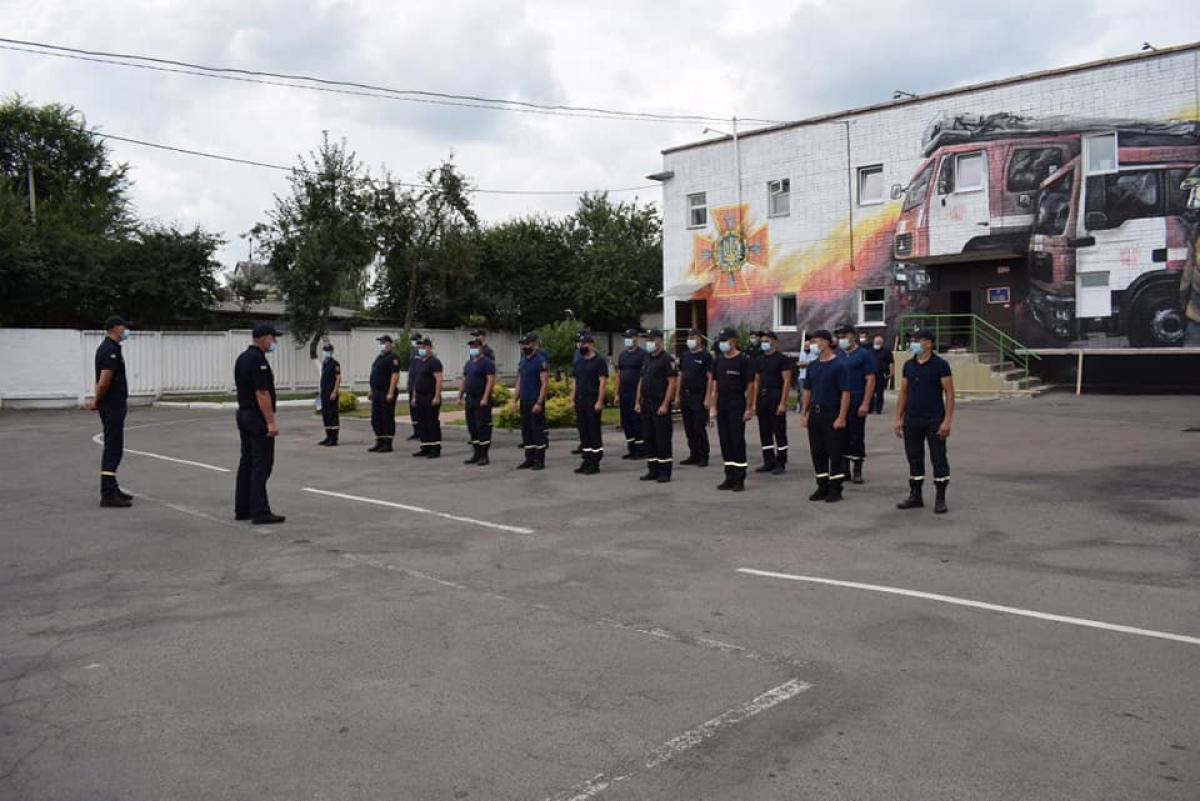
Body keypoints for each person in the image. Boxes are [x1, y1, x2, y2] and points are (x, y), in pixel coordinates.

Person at [894, 329, 955, 514]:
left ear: (928, 343)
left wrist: (947, 421)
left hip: (934, 420)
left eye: (917, 340)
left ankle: (940, 498)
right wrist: (898, 418)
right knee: (914, 457)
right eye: (912, 340)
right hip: (912, 420)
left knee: (938, 458)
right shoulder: (908, 365)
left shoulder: (940, 365)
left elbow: (950, 394)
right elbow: (903, 392)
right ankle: (915, 495)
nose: (913, 343)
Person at [233, 323, 284, 524]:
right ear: (264, 338)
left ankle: (242, 508)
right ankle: (259, 511)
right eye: (273, 338)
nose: (274, 342)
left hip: (243, 414)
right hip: (257, 417)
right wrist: (271, 422)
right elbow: (262, 393)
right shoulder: (258, 360)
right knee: (262, 464)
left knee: (247, 462)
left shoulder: (243, 358)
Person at [85, 315, 133, 507]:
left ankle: (112, 487)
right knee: (113, 448)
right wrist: (96, 400)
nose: (126, 331)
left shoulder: (111, 349)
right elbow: (104, 380)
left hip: (114, 404)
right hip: (112, 405)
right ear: (114, 328)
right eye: (124, 327)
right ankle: (108, 493)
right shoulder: (109, 350)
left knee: (114, 447)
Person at [801, 330, 850, 503]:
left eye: (819, 341)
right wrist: (804, 413)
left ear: (828, 342)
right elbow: (807, 391)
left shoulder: (839, 365)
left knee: (834, 452)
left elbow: (845, 393)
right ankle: (822, 486)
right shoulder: (813, 366)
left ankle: (836, 488)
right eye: (813, 341)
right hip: (815, 412)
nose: (815, 344)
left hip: (832, 412)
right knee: (817, 452)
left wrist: (842, 416)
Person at [708, 327, 755, 492]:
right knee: (725, 440)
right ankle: (729, 475)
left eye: (725, 340)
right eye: (720, 341)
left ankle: (739, 477)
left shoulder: (744, 360)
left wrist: (749, 408)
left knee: (737, 440)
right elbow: (715, 385)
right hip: (722, 403)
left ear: (733, 341)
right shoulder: (718, 361)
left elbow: (750, 385)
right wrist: (713, 406)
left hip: (737, 402)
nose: (722, 344)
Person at [834, 323, 876, 484]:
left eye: (844, 336)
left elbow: (870, 379)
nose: (841, 339)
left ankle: (857, 469)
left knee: (856, 435)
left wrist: (866, 403)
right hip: (838, 401)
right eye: (839, 336)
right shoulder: (837, 354)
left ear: (853, 336)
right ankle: (844, 470)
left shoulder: (864, 355)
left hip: (857, 399)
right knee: (840, 435)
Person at [635, 329, 678, 482]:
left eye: (652, 339)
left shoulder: (667, 359)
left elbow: (672, 383)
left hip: (660, 404)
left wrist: (666, 404)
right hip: (646, 404)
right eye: (647, 340)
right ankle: (652, 469)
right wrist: (637, 401)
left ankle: (664, 471)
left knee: (662, 438)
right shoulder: (647, 358)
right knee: (649, 438)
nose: (649, 342)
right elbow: (642, 380)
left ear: (659, 340)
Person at [752, 330, 793, 475]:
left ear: (774, 342)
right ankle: (768, 461)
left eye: (767, 341)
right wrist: (754, 403)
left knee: (779, 431)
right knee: (764, 431)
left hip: (775, 396)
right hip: (762, 397)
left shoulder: (782, 359)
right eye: (762, 341)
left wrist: (783, 403)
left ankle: (781, 462)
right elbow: (756, 381)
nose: (764, 343)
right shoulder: (759, 359)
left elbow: (787, 381)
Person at [571, 332, 609, 474]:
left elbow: (602, 383)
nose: (582, 346)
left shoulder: (599, 361)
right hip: (580, 399)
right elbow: (575, 382)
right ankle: (586, 459)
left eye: (585, 343)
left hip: (592, 399)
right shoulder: (579, 361)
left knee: (593, 431)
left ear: (591, 345)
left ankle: (595, 462)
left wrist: (600, 401)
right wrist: (572, 400)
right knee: (583, 431)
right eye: (581, 344)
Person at [678, 328, 713, 467]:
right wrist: (677, 395)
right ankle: (694, 453)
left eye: (693, 337)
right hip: (685, 395)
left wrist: (707, 398)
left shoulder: (706, 356)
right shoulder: (685, 355)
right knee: (689, 427)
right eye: (689, 337)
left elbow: (710, 378)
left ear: (699, 339)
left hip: (699, 395)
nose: (690, 340)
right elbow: (680, 375)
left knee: (699, 427)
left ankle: (703, 455)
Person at [459, 338, 497, 466]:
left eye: (475, 346)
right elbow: (464, 380)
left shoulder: (487, 363)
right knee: (472, 427)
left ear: (481, 348)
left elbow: (490, 380)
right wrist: (460, 395)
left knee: (483, 427)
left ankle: (484, 455)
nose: (472, 349)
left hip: (481, 399)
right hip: (470, 398)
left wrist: (485, 397)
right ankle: (476, 453)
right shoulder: (469, 363)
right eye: (471, 346)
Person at [516, 332, 549, 470]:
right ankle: (529, 458)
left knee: (537, 431)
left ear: (534, 344)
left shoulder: (540, 361)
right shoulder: (522, 361)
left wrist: (539, 402)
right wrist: (514, 399)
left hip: (535, 400)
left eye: (527, 344)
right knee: (526, 431)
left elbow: (544, 383)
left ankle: (539, 460)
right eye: (523, 344)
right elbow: (519, 381)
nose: (525, 346)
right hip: (524, 399)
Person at [614, 328, 647, 459]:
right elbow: (618, 375)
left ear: (636, 338)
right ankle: (631, 448)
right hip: (624, 393)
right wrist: (616, 394)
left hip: (636, 393)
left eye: (629, 337)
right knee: (626, 422)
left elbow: (643, 377)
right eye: (625, 337)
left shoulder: (642, 355)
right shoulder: (622, 355)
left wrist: (640, 398)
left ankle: (641, 449)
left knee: (637, 422)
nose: (627, 340)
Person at [410, 337, 444, 458]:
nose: (421, 349)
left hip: (430, 396)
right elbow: (416, 381)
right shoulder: (419, 362)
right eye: (420, 347)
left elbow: (439, 380)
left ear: (430, 348)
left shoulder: (434, 362)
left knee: (432, 423)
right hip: (420, 396)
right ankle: (425, 446)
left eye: (424, 347)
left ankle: (435, 448)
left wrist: (436, 396)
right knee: (422, 422)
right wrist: (414, 397)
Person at [367, 334, 401, 453]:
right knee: (376, 418)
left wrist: (391, 392)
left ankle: (388, 443)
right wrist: (371, 390)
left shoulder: (393, 357)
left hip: (386, 390)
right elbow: (374, 375)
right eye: (380, 343)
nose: (382, 345)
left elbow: (395, 375)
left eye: (384, 342)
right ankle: (379, 440)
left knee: (386, 417)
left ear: (390, 344)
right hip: (377, 391)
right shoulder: (379, 357)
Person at [1181, 166, 1200, 344]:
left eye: (1197, 192)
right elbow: (1189, 270)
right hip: (1195, 320)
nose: (1191, 201)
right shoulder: (1195, 232)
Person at [317, 342, 341, 446]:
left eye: (328, 351)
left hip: (331, 393)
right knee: (326, 415)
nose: (326, 352)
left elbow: (338, 378)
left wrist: (334, 391)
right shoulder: (324, 363)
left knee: (332, 415)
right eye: (325, 351)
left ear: (331, 352)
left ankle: (334, 438)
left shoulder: (335, 364)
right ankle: (328, 436)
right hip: (324, 393)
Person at [870, 335, 895, 414]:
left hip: (881, 374)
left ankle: (878, 409)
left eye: (879, 342)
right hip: (871, 375)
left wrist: (891, 372)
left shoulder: (886, 351)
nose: (877, 343)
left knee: (879, 392)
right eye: (876, 342)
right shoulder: (869, 351)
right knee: (870, 392)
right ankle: (870, 408)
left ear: (882, 343)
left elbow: (891, 362)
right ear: (874, 342)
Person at [406, 331, 423, 440]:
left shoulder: (421, 352)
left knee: (419, 408)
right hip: (412, 383)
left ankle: (421, 431)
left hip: (419, 383)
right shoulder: (412, 351)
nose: (414, 342)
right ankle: (416, 431)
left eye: (415, 340)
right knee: (413, 409)